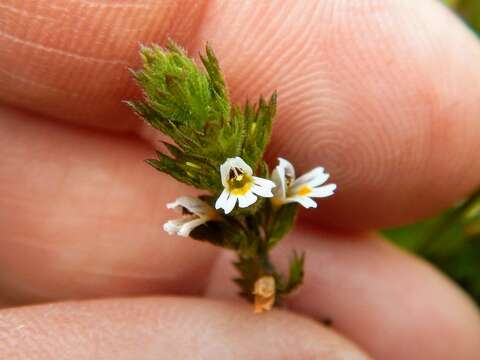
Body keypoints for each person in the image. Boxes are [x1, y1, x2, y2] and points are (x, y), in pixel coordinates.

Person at [0, 1, 479, 359]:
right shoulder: (234, 196)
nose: (234, 180)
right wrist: (218, 208)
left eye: (237, 177)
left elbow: (266, 189)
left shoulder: (255, 189)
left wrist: (266, 194)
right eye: (233, 179)